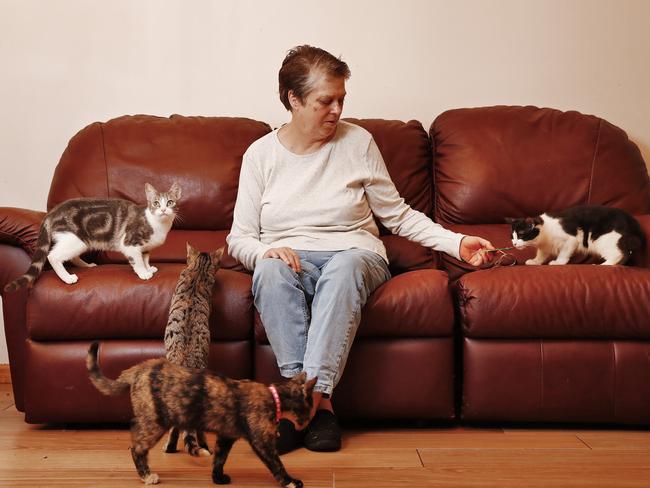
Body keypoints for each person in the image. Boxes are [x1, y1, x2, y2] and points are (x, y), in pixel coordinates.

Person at [226, 45, 494, 453]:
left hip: (355, 254)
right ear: (293, 100)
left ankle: (298, 408)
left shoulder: (358, 142)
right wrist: (265, 253)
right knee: (270, 272)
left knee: (345, 267)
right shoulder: (261, 155)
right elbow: (239, 237)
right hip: (292, 259)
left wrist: (457, 242)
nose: (336, 110)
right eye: (325, 101)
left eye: (341, 100)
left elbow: (399, 216)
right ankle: (321, 409)